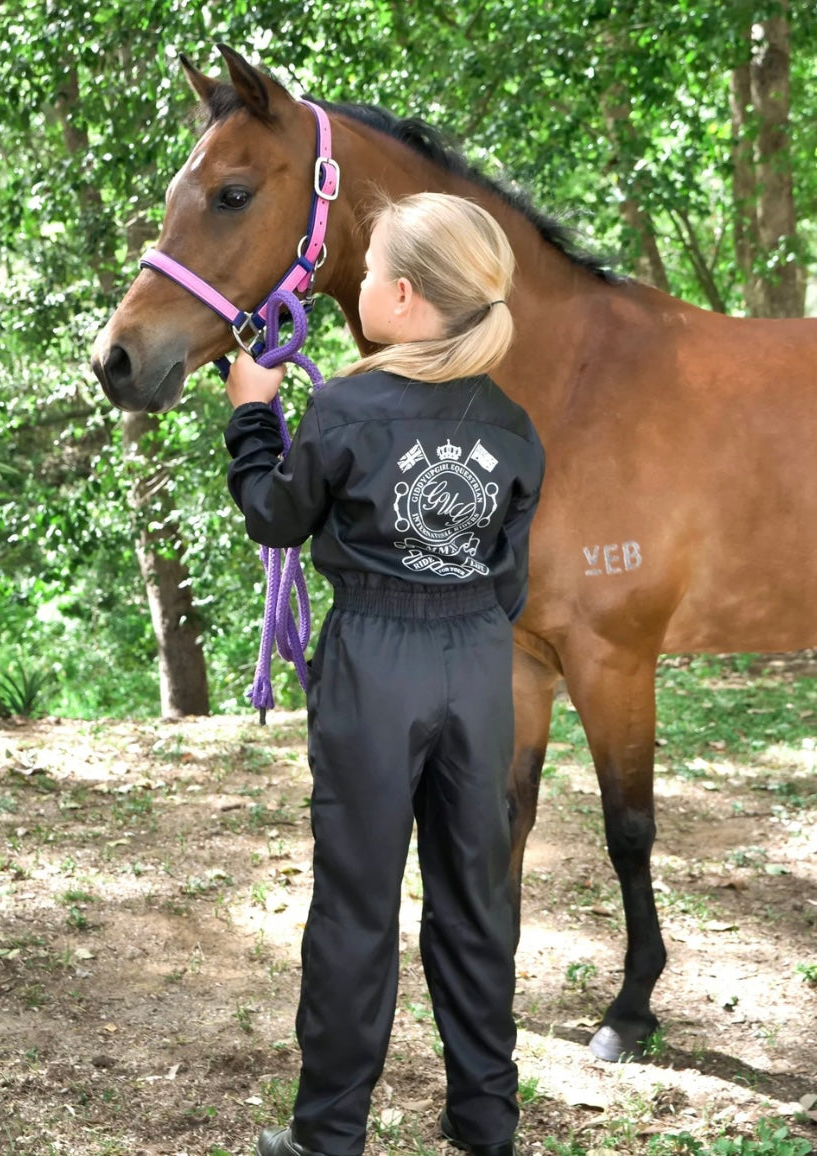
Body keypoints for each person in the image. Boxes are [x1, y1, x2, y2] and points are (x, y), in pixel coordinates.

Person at [224, 192, 545, 1156]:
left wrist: (252, 415)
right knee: (476, 900)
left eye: (366, 273)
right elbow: (510, 580)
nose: (357, 284)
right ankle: (486, 1126)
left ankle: (328, 1136)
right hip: (479, 663)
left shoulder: (345, 409)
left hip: (377, 665)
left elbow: (275, 515)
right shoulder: (514, 426)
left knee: (358, 904)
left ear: (402, 297)